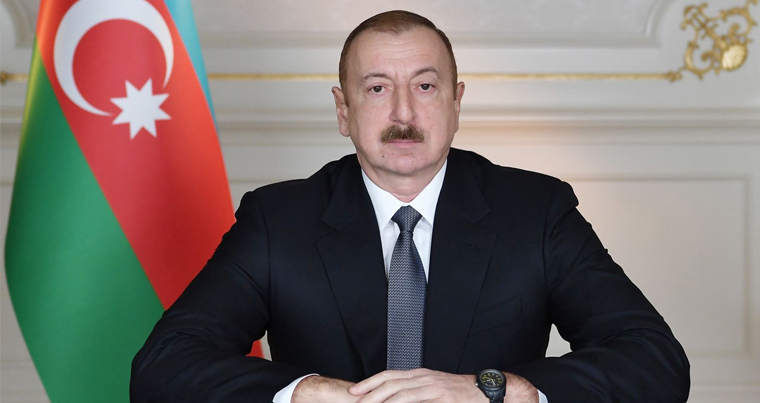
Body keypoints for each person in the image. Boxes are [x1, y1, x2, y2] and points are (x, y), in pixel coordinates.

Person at [131, 10, 690, 403]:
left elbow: (655, 361)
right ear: (343, 110)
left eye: (425, 87)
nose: (404, 113)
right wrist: (305, 393)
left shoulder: (537, 211)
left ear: (456, 102)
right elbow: (162, 367)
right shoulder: (277, 220)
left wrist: (495, 391)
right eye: (377, 88)